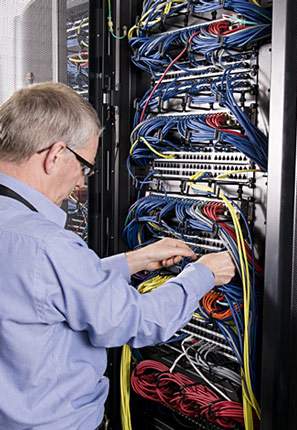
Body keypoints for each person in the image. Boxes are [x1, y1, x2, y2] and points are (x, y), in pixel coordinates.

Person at [0, 82, 236, 429]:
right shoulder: (48, 245)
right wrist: (203, 274)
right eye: (84, 166)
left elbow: (39, 291)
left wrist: (132, 261)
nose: (81, 182)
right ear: (55, 155)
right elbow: (137, 323)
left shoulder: (24, 236)